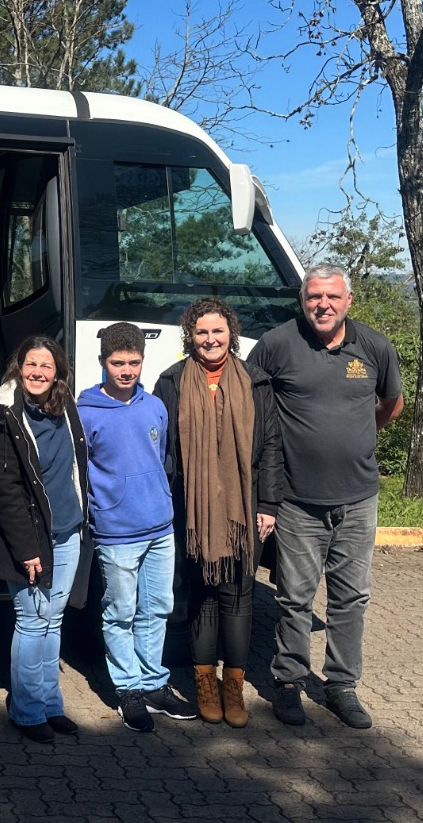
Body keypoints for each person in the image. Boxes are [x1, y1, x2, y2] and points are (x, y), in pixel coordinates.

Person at [247, 264, 404, 729]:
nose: (323, 305)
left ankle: (341, 686)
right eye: (314, 296)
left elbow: (391, 404)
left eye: (333, 297)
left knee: (351, 597)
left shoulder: (374, 346)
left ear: (348, 301)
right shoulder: (277, 344)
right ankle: (288, 683)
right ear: (303, 300)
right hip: (296, 499)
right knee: (294, 598)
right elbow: (248, 402)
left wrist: (355, 440)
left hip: (358, 498)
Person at [152, 301, 284, 728]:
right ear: (190, 335)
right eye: (202, 332)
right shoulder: (171, 382)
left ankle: (233, 685)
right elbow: (162, 448)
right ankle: (204, 683)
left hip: (243, 509)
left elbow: (272, 449)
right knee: (202, 595)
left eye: (218, 332)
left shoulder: (257, 382)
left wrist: (268, 505)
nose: (210, 339)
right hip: (192, 510)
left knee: (238, 595)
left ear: (232, 334)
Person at [77, 323, 197, 734]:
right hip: (116, 531)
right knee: (121, 612)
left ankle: (153, 683)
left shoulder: (154, 406)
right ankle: (128, 688)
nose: (126, 370)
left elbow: (162, 455)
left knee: (157, 609)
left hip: (160, 527)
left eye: (134, 362)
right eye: (117, 363)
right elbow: (83, 472)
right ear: (102, 363)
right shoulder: (86, 412)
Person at [0, 335, 90, 744]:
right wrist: (27, 550)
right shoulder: (3, 415)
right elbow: (4, 491)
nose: (38, 373)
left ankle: (49, 703)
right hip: (27, 540)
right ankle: (25, 709)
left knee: (53, 620)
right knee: (32, 622)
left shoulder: (64, 404)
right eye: (31, 365)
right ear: (18, 368)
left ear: (58, 372)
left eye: (46, 366)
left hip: (67, 531)